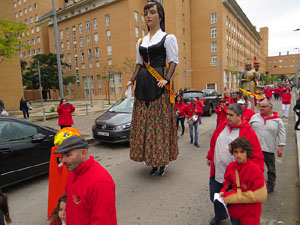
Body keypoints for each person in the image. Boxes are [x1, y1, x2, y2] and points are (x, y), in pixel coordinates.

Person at [127, 0, 179, 176]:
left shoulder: (168, 38)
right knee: (145, 125)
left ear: (160, 15)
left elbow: (173, 61)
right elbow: (138, 64)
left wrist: (166, 79)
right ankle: (152, 162)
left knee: (158, 125)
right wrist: (131, 80)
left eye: (152, 12)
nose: (148, 16)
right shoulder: (140, 41)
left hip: (158, 85)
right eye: (146, 13)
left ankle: (161, 162)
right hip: (142, 85)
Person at [206, 104, 264, 225]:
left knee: (234, 204)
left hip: (234, 177)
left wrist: (255, 176)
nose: (227, 117)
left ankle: (234, 219)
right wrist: (210, 156)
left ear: (239, 116)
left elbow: (257, 155)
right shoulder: (222, 126)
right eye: (227, 114)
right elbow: (213, 142)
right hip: (217, 172)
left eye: (231, 115)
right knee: (215, 196)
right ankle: (220, 215)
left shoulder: (248, 132)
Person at [54, 135, 117, 225]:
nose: (63, 160)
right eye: (62, 156)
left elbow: (103, 221)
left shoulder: (100, 183)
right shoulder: (73, 172)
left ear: (83, 153)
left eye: (68, 155)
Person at [220, 137, 265, 225]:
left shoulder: (255, 170)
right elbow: (227, 183)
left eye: (242, 152)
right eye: (235, 152)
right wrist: (223, 191)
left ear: (247, 152)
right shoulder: (231, 167)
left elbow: (259, 194)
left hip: (249, 213)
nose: (238, 155)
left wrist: (229, 195)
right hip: (234, 211)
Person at [250, 100, 286, 193]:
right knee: (253, 168)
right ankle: (254, 184)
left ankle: (270, 186)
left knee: (271, 169)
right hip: (254, 149)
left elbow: (282, 134)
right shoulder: (255, 117)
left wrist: (280, 148)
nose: (261, 108)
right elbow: (247, 129)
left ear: (270, 108)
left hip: (268, 148)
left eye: (264, 107)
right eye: (260, 106)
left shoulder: (277, 120)